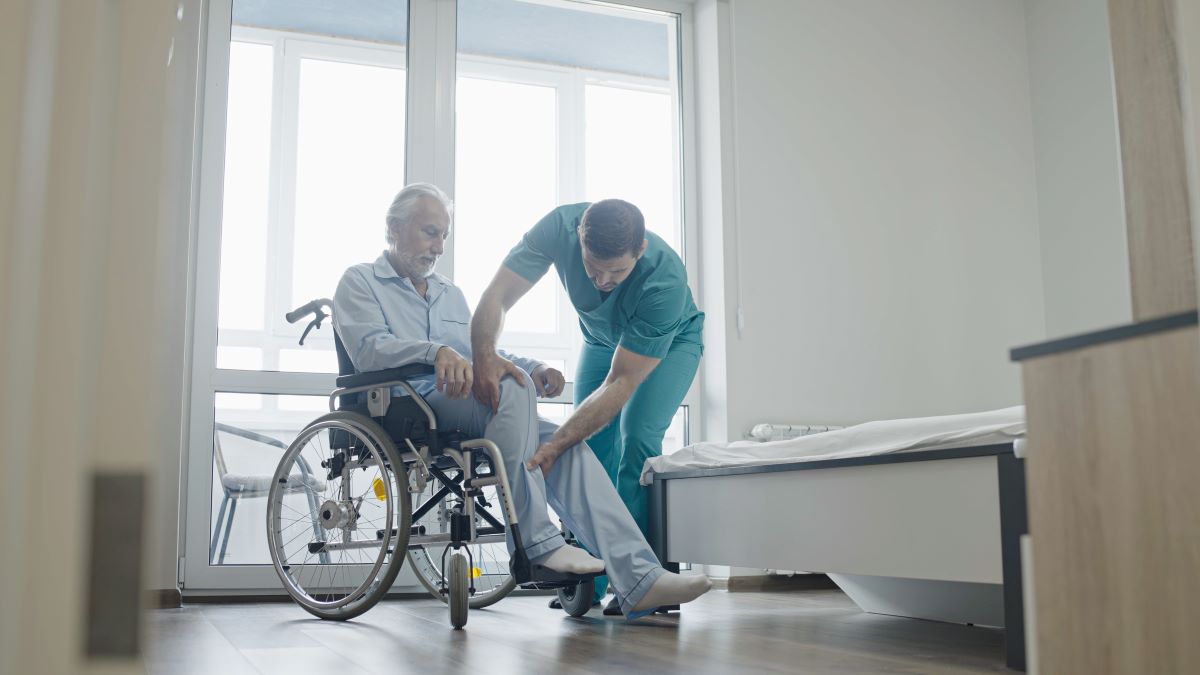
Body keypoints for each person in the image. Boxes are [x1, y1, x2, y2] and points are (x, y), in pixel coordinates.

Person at [332, 183, 711, 618]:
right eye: (430, 232)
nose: (438, 247)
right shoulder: (360, 281)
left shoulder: (448, 293)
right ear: (394, 228)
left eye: (444, 237)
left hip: (463, 399)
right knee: (513, 390)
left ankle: (640, 577)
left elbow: (482, 354)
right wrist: (434, 352)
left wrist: (530, 366)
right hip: (408, 401)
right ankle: (536, 545)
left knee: (567, 445)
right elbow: (368, 350)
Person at [471, 200, 703, 612]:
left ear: (641, 249)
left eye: (618, 271)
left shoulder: (664, 280)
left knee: (638, 439)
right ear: (579, 238)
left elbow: (621, 381)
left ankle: (642, 582)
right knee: (589, 450)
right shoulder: (558, 227)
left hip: (670, 344)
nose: (603, 281)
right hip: (600, 340)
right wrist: (484, 354)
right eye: (593, 268)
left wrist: (555, 444)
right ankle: (590, 579)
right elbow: (498, 296)